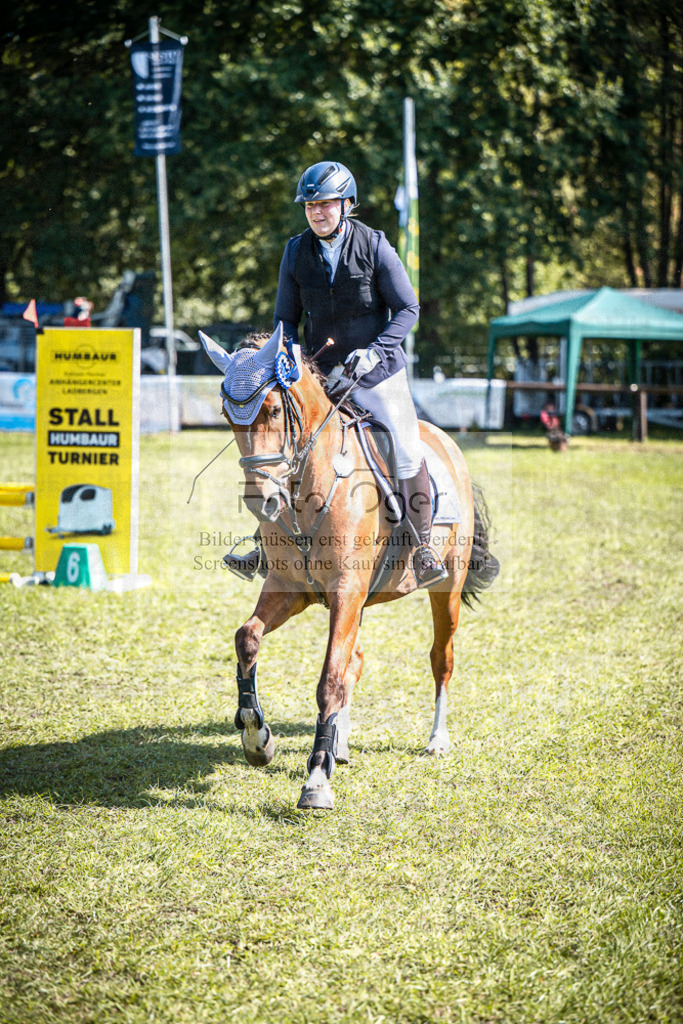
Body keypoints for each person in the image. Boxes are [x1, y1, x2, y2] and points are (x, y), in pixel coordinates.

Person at [227, 160, 446, 588]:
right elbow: (284, 319)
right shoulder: (295, 251)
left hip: (376, 370)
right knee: (287, 446)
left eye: (325, 204)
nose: (316, 212)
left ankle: (423, 548)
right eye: (310, 205)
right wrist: (287, 354)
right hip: (320, 374)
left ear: (347, 204)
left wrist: (377, 350)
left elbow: (408, 309)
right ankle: (264, 545)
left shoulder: (375, 245)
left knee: (403, 441)